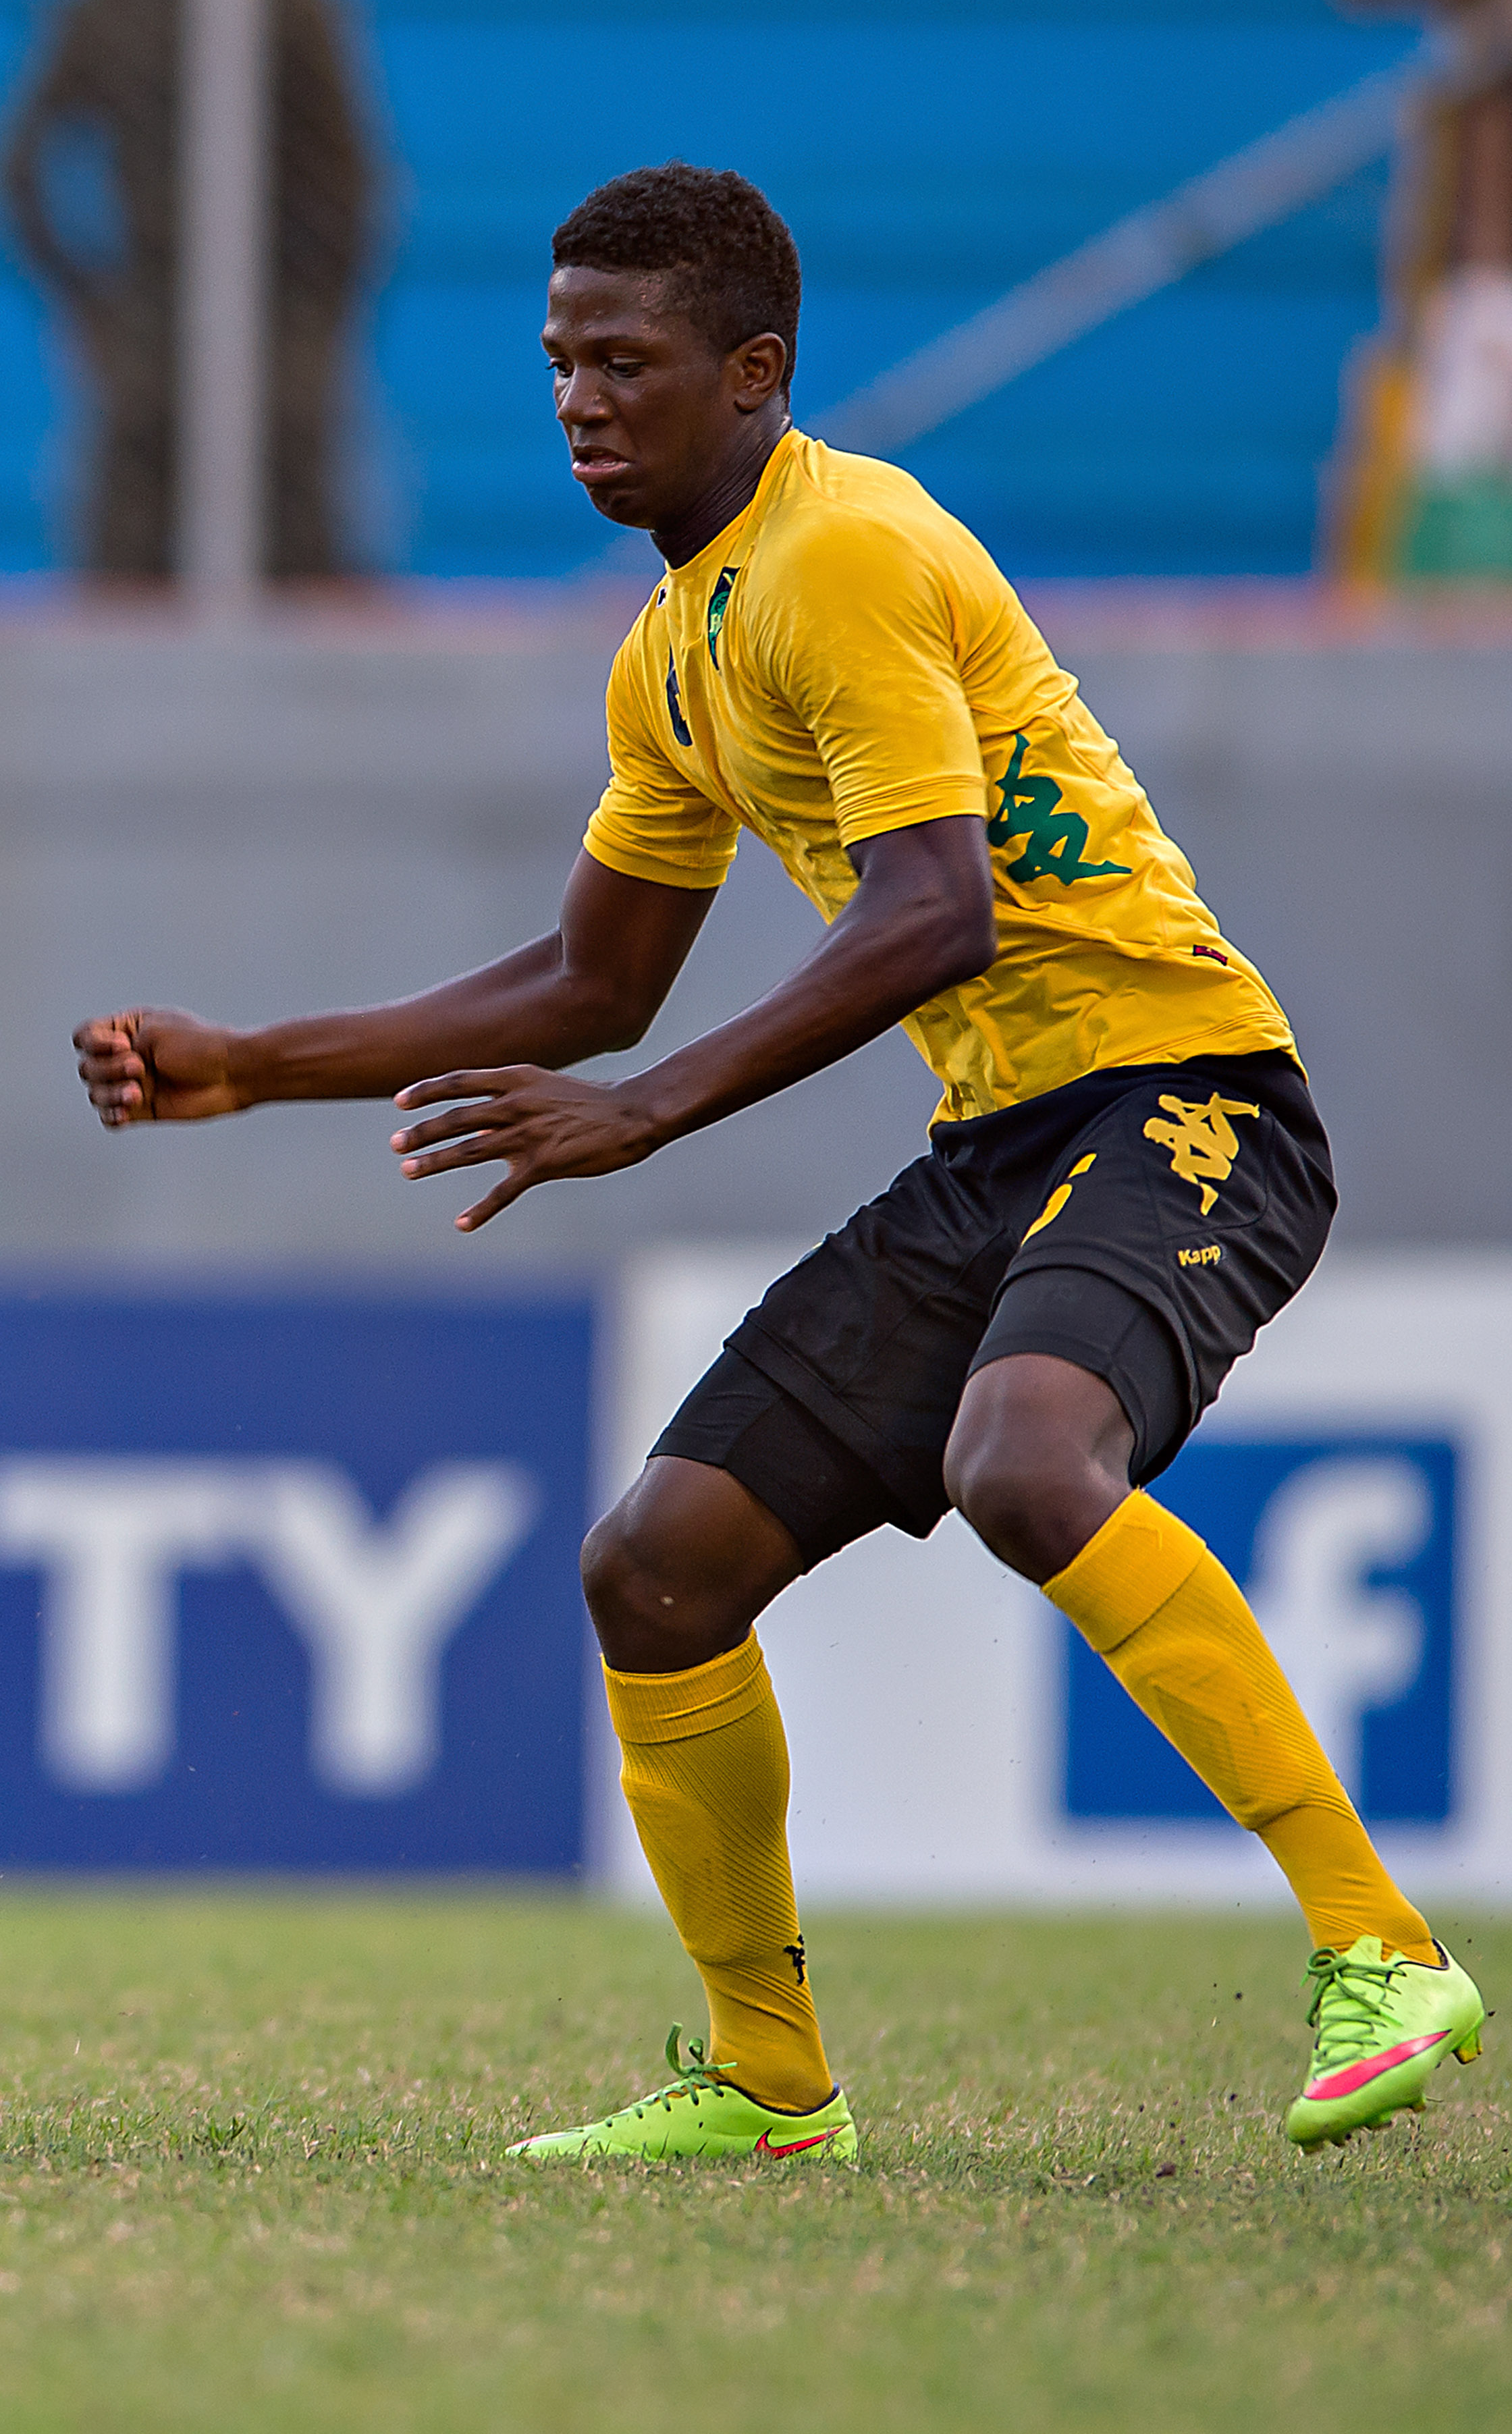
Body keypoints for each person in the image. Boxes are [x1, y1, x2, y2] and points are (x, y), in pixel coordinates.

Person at [74, 163, 1485, 2163]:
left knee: (1020, 1458)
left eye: (623, 361)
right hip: (1002, 1136)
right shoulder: (668, 647)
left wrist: (645, 1122)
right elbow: (590, 978)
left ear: (753, 371)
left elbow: (933, 915)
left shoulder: (842, 553)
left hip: (1188, 1096)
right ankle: (765, 2076)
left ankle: (1384, 1949)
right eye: (559, 359)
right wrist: (254, 1063)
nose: (577, 398)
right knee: (656, 1565)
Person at [0, 0, 375, 582]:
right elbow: (353, 187)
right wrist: (320, 323)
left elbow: (17, 166)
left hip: (153, 323)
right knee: (292, 575)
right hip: (262, 325)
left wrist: (90, 304)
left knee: (132, 575)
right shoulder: (296, 7)